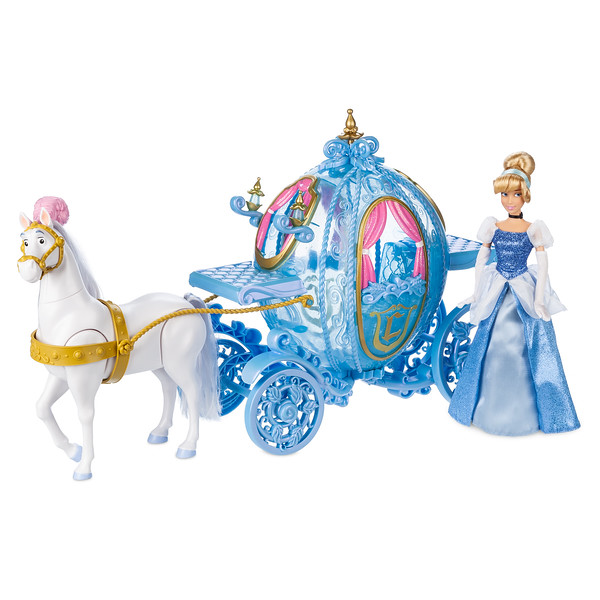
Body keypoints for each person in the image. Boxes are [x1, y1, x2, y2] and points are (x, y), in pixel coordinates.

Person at [448, 152, 579, 435]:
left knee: (528, 346)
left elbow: (543, 266)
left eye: (516, 194)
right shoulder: (493, 226)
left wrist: (540, 300)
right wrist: (476, 293)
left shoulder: (534, 229)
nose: (510, 200)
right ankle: (482, 407)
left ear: (526, 195)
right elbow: (481, 261)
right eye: (504, 194)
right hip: (497, 286)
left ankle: (539, 413)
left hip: (522, 287)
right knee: (489, 345)